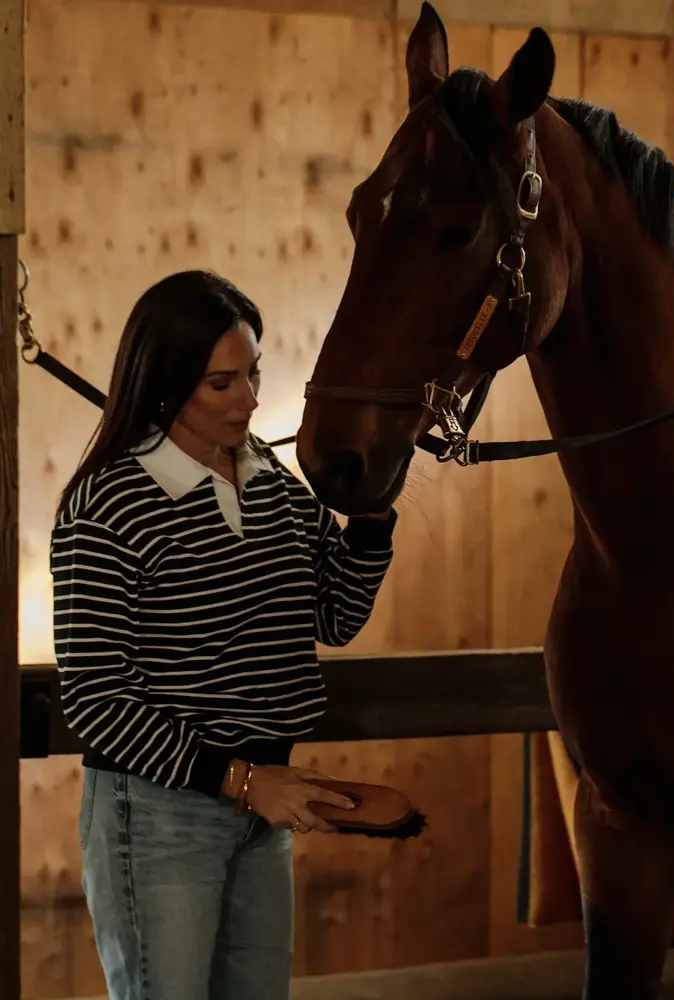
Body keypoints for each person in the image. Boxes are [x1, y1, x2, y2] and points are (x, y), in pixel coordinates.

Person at [50, 269, 397, 1000]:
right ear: (167, 386)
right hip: (160, 815)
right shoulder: (108, 505)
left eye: (254, 374)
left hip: (263, 808)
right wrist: (238, 780)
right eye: (221, 384)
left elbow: (332, 616)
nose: (250, 399)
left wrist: (370, 525)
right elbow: (96, 700)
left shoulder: (270, 480)